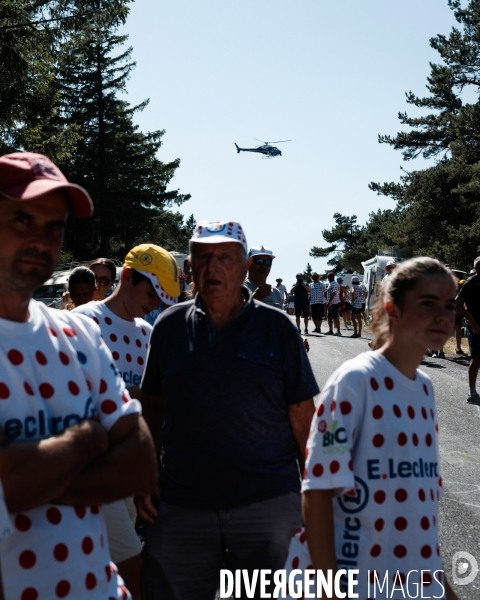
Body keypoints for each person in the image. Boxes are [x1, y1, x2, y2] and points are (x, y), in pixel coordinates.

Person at [0, 151, 157, 599]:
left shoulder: (78, 333)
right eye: (22, 219)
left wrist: (29, 482)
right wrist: (87, 440)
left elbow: (140, 462)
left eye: (55, 226)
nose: (41, 239)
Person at [137, 220, 319, 600]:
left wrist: (315, 493)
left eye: (225, 258)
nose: (213, 267)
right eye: (203, 258)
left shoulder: (278, 328)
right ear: (190, 267)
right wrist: (147, 471)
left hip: (267, 501)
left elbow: (303, 417)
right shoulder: (169, 328)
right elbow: (152, 406)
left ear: (243, 267)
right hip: (183, 502)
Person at [284, 257, 458, 600]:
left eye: (450, 305)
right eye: (428, 303)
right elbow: (317, 491)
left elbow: (418, 506)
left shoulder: (425, 388)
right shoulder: (355, 381)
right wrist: (329, 589)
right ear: (393, 309)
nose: (443, 315)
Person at [74, 244, 180, 599]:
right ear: (128, 277)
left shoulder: (145, 334)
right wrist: (137, 396)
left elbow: (153, 410)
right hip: (92, 471)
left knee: (100, 570)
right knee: (134, 571)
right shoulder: (84, 322)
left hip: (128, 472)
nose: (155, 305)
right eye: (152, 294)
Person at [455, 257, 480, 405]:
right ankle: (472, 392)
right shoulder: (470, 283)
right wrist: (472, 321)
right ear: (476, 268)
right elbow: (457, 303)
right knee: (476, 359)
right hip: (474, 325)